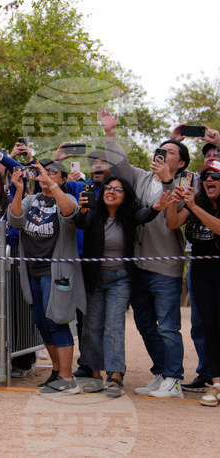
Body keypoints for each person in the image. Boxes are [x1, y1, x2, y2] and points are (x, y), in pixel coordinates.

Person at [99, 107, 187, 398]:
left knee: (168, 327)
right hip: (138, 267)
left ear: (182, 162)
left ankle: (174, 379)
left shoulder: (187, 185)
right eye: (160, 149)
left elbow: (177, 210)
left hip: (166, 267)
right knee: (146, 325)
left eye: (171, 151)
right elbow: (120, 163)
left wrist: (167, 180)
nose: (163, 152)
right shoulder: (139, 178)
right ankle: (162, 373)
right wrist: (110, 134)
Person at [75, 176, 167, 396]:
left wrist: (155, 208)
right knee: (92, 326)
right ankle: (95, 375)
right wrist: (83, 209)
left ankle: (115, 376)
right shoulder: (94, 211)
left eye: (118, 189)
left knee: (114, 327)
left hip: (121, 278)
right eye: (108, 188)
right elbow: (81, 223)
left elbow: (142, 215)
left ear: (125, 196)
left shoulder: (127, 215)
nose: (111, 192)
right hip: (94, 279)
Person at [8, 163, 85, 395]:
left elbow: (70, 213)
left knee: (57, 320)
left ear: (62, 179)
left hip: (56, 272)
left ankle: (67, 377)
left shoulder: (68, 197)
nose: (45, 175)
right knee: (41, 321)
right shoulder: (32, 200)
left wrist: (51, 184)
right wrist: (20, 190)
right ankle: (57, 371)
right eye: (43, 171)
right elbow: (15, 220)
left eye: (52, 172)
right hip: (32, 270)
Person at [166, 160, 220, 406]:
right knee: (209, 326)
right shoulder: (195, 201)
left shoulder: (196, 205)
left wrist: (192, 206)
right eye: (206, 176)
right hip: (200, 270)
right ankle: (216, 384)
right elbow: (172, 223)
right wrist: (173, 202)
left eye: (215, 176)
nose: (209, 180)